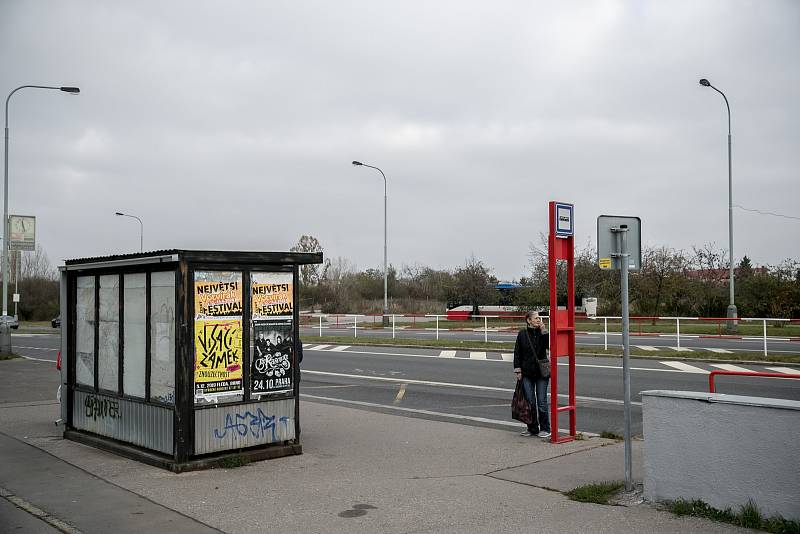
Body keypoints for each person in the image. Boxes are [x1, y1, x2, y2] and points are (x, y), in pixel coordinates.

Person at [513, 310, 551, 439]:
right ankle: (532, 428)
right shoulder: (522, 334)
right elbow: (517, 352)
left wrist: (544, 330)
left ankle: (545, 428)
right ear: (528, 320)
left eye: (539, 318)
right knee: (530, 402)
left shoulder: (542, 332)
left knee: (542, 402)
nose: (538, 320)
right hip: (527, 373)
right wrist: (518, 370)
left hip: (541, 373)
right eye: (536, 318)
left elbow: (549, 346)